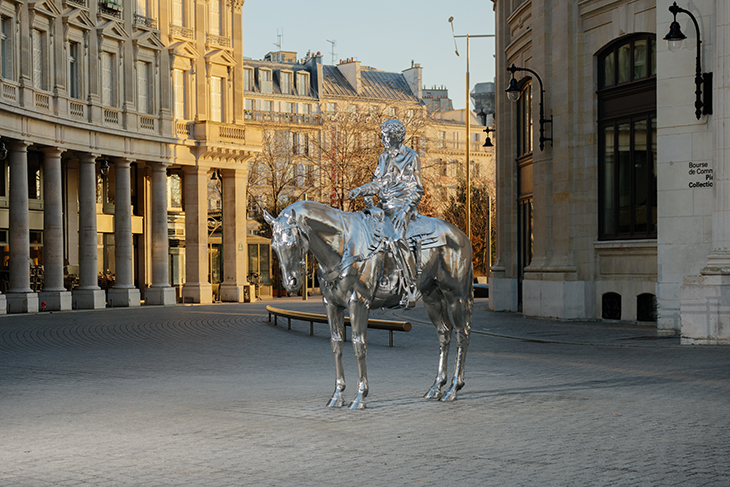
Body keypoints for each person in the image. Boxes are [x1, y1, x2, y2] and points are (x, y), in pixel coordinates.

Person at [349, 119, 423, 308]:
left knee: (397, 238)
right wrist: (361, 190)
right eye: (382, 137)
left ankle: (411, 286)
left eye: (387, 137)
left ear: (398, 137)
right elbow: (377, 184)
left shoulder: (411, 157)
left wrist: (405, 210)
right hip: (384, 207)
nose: (384, 140)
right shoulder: (383, 158)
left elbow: (418, 189)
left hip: (402, 207)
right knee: (361, 231)